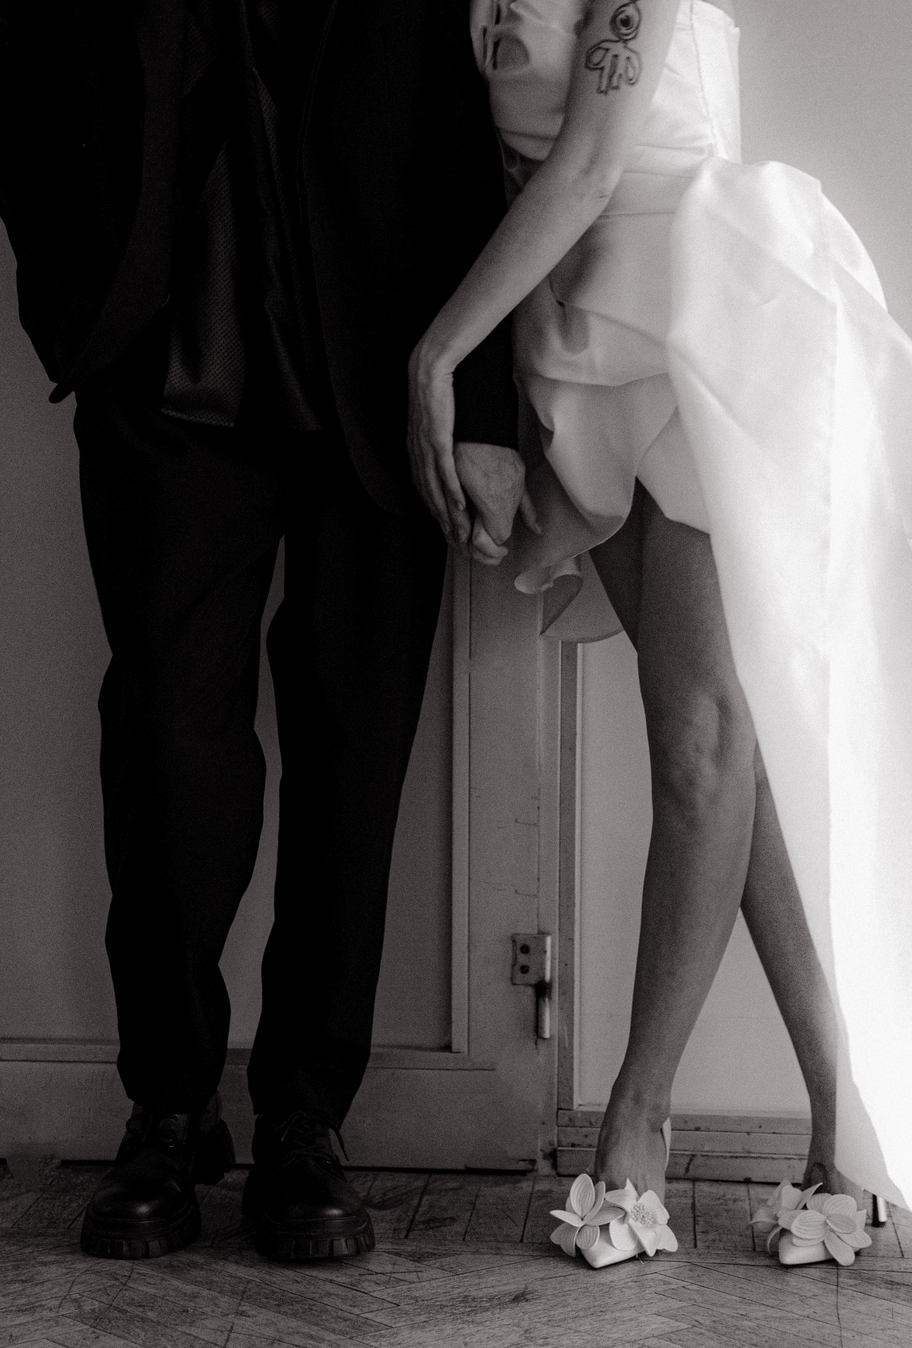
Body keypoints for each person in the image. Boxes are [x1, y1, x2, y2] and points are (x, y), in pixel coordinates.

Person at [408, 0, 912, 1300]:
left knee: (703, 741)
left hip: (706, 317)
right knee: (724, 753)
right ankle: (844, 1121)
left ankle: (635, 1133)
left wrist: (437, 353)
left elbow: (589, 163)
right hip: (574, 344)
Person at [0, 0, 519, 1261]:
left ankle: (305, 1118)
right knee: (171, 755)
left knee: (356, 759)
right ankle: (168, 1109)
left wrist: (487, 405)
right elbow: (26, 82)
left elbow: (464, 144)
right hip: (165, 381)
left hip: (383, 384)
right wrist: (78, 313)